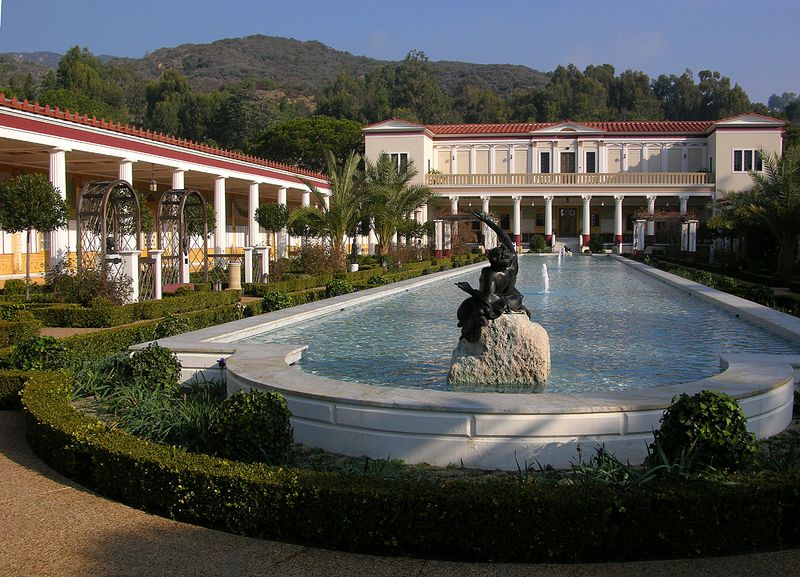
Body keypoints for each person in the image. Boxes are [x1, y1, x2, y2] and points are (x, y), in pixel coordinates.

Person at [455, 212, 530, 342]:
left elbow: (487, 298)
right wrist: (487, 221)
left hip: (496, 304)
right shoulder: (513, 262)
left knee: (464, 309)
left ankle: (474, 325)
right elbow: (504, 237)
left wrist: (469, 290)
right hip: (514, 300)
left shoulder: (490, 273)